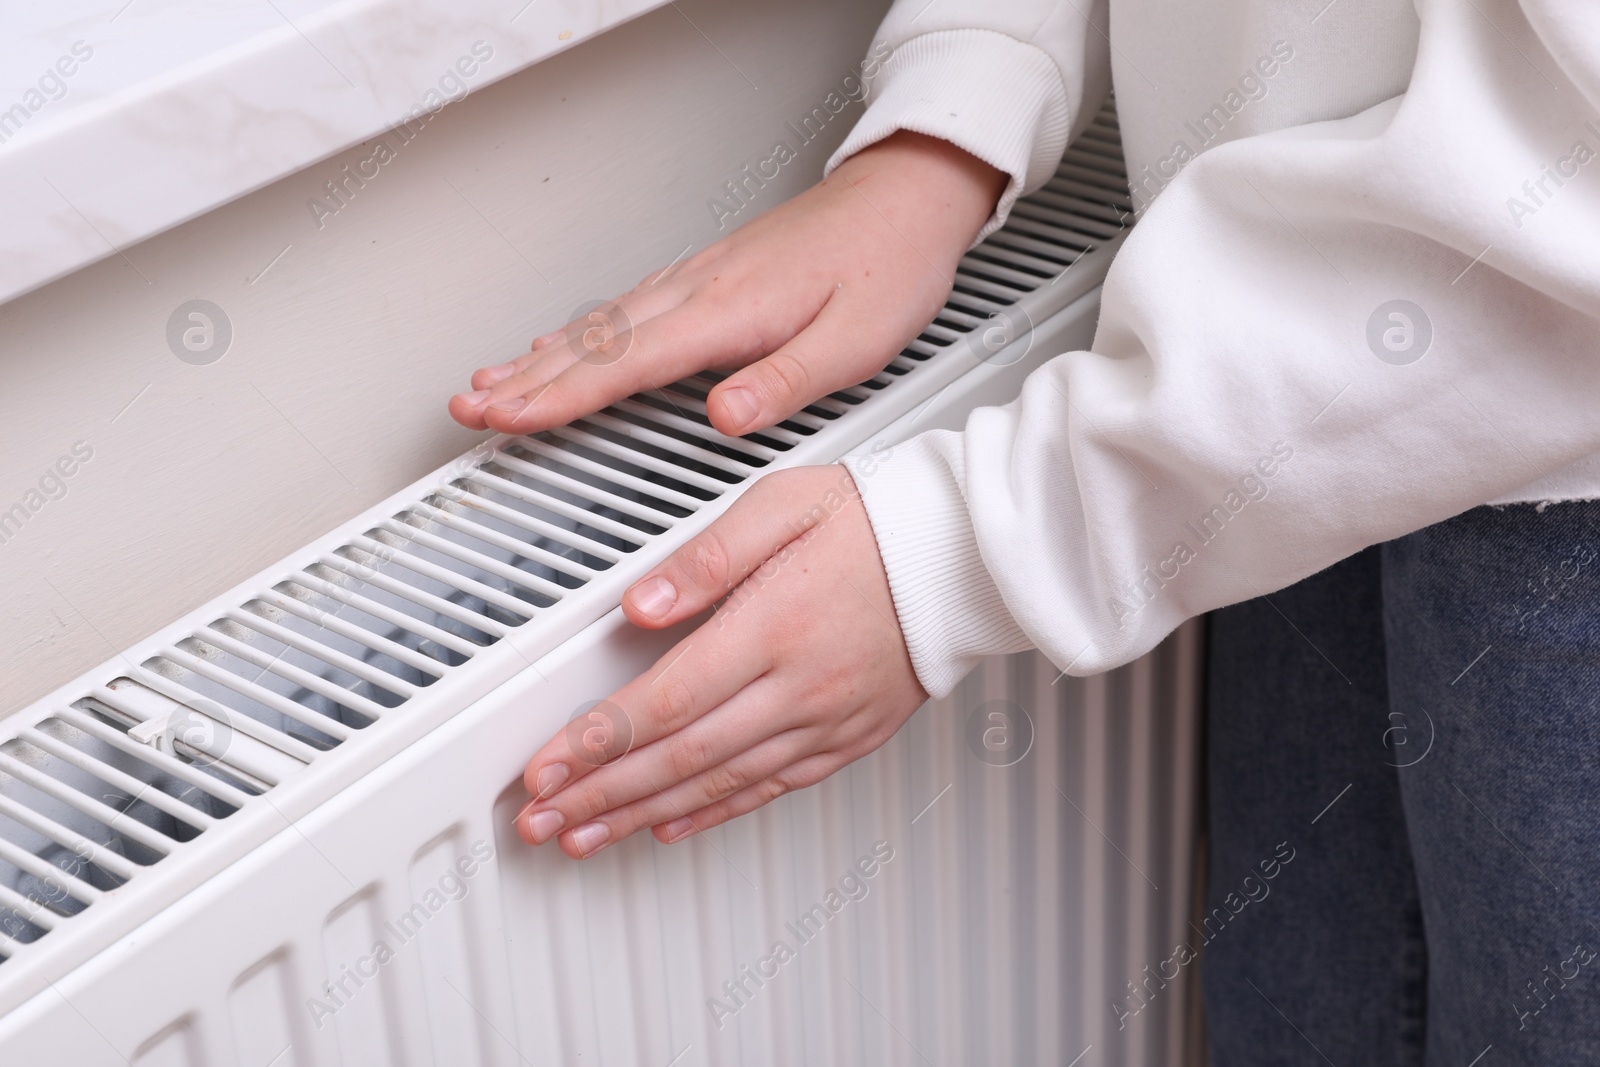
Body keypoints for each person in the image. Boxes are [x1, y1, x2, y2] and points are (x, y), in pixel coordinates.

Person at [450, 1, 1600, 1061]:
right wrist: (954, 113)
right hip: (1284, 397)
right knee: (1298, 1015)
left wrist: (979, 541)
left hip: (1562, 486)